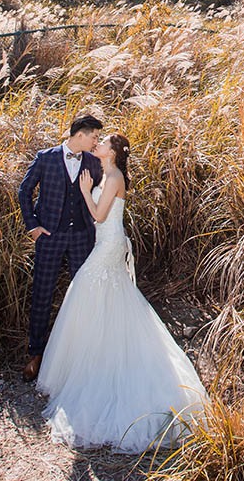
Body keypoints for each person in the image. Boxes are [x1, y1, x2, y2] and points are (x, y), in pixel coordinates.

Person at [36, 133, 208, 453]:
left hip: (110, 244)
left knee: (88, 289)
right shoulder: (107, 174)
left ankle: (102, 366)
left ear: (113, 153)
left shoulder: (113, 177)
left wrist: (86, 192)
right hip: (106, 243)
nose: (98, 145)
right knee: (107, 300)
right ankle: (97, 359)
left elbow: (99, 216)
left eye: (103, 144)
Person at [18, 114, 105, 382]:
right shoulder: (46, 157)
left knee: (84, 294)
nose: (95, 141)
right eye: (94, 136)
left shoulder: (93, 162)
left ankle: (81, 354)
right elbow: (24, 191)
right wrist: (33, 225)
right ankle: (36, 354)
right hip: (50, 236)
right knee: (42, 293)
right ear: (80, 134)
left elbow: (105, 193)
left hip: (81, 236)